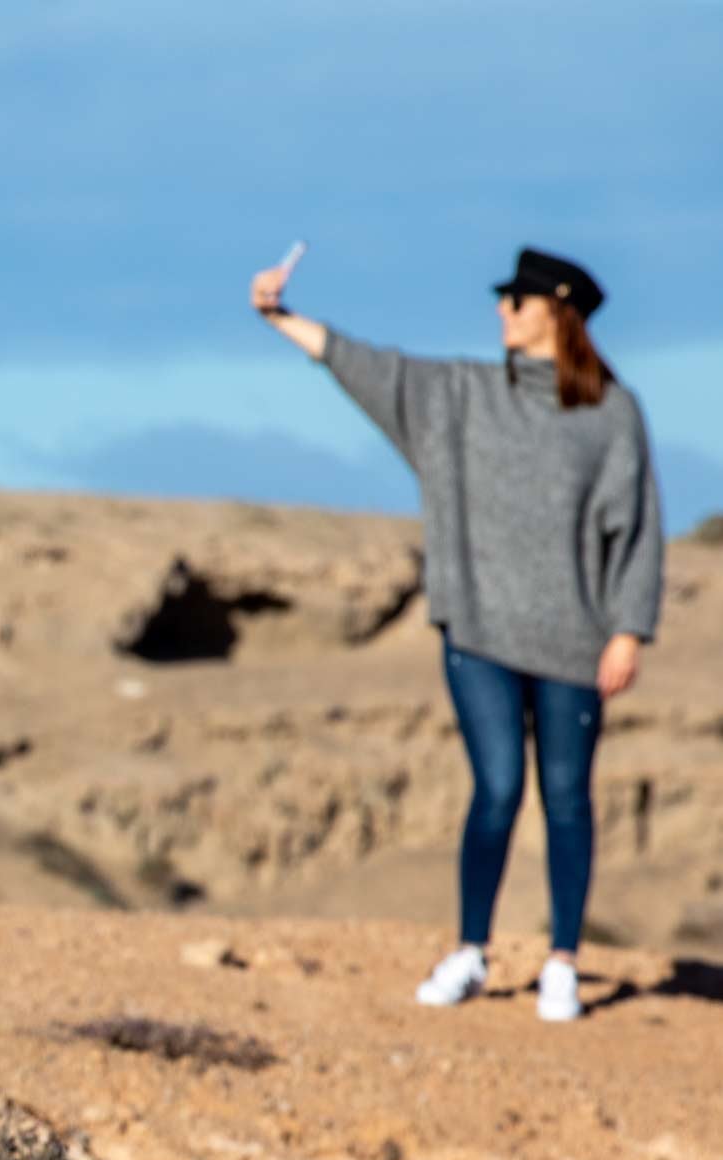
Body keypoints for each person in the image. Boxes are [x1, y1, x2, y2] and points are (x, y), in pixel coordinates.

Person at [252, 247, 665, 1021]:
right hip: (479, 629)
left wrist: (628, 629)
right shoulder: (462, 397)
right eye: (504, 299)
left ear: (559, 310)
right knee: (499, 785)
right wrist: (278, 316)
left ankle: (562, 964)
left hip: (576, 638)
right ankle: (473, 950)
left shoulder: (611, 412)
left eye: (517, 300)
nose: (503, 310)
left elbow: (637, 527)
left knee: (568, 796)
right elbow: (368, 368)